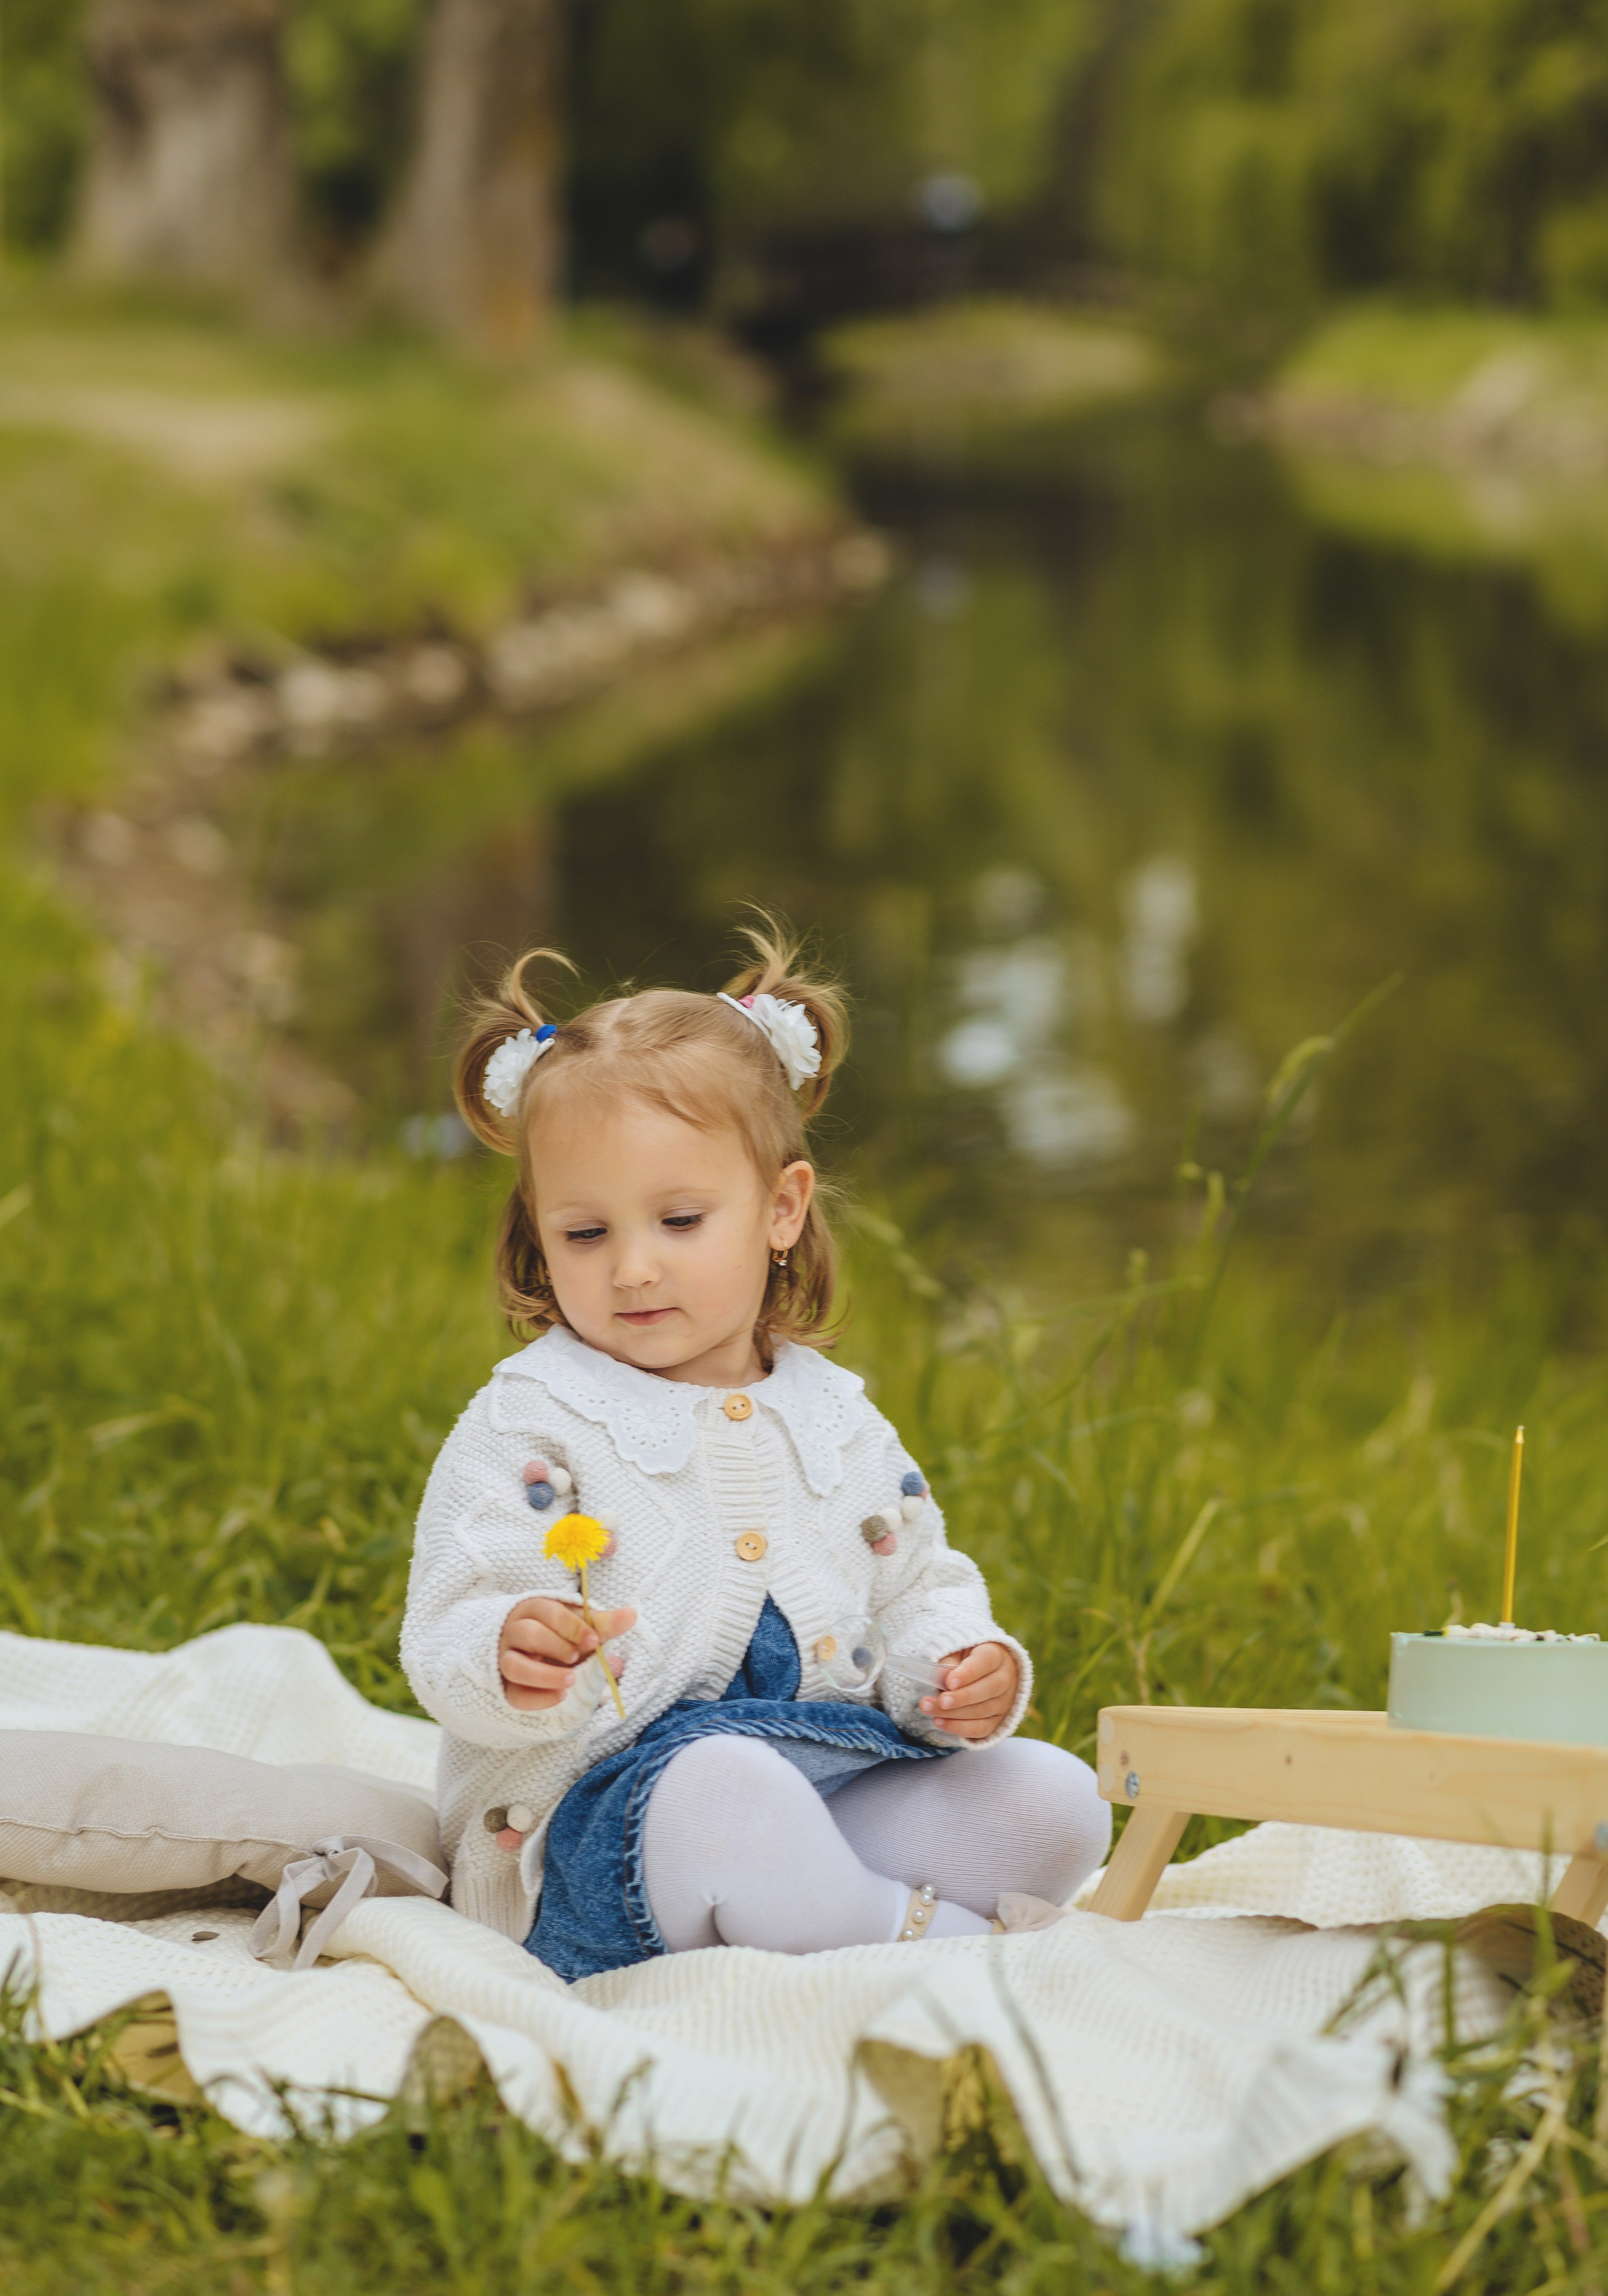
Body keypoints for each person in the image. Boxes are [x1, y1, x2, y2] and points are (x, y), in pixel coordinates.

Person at [401, 924, 1110, 1981]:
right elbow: (449, 1620)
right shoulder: (533, 1420)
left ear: (782, 1209)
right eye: (586, 1234)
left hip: (825, 1783)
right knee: (728, 1786)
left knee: (1055, 1799)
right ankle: (948, 1957)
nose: (634, 1268)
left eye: (680, 1219)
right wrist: (511, 1650)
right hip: (606, 1846)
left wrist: (959, 1671)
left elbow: (917, 1582)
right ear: (539, 1233)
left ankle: (839, 1911)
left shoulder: (836, 1418)